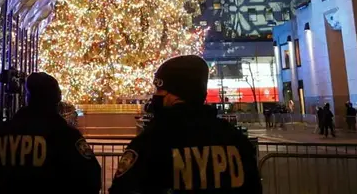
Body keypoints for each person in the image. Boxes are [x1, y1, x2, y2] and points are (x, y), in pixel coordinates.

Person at [109, 55, 262, 193]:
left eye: (160, 89)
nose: (156, 95)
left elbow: (122, 188)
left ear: (175, 94)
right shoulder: (234, 139)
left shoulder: (153, 139)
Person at [0, 72, 101, 194]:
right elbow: (92, 178)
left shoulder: (3, 132)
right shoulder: (66, 136)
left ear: (27, 97)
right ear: (57, 98)